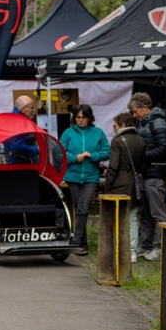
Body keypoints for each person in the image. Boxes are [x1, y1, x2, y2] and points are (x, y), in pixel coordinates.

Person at [59, 104, 110, 256]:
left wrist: (91, 156)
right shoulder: (68, 133)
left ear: (89, 118)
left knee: (83, 208)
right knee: (79, 209)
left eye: (84, 117)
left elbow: (107, 152)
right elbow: (59, 153)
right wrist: (75, 158)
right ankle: (83, 245)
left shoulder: (98, 132)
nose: (81, 120)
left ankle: (76, 241)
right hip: (73, 176)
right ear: (74, 118)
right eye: (78, 117)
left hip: (90, 177)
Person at [128, 92, 166, 261]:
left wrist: (143, 156)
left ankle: (160, 247)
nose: (134, 115)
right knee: (145, 212)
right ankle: (146, 246)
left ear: (145, 108)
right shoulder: (145, 124)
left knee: (158, 212)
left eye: (135, 111)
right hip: (146, 174)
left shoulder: (158, 123)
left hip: (154, 173)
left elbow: (164, 148)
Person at [104, 112, 145, 263]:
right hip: (135, 183)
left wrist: (107, 186)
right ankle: (132, 251)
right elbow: (142, 163)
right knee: (133, 218)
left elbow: (113, 167)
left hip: (119, 184)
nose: (114, 129)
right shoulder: (140, 139)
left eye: (115, 126)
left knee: (116, 218)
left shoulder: (117, 141)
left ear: (122, 125)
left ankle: (117, 249)